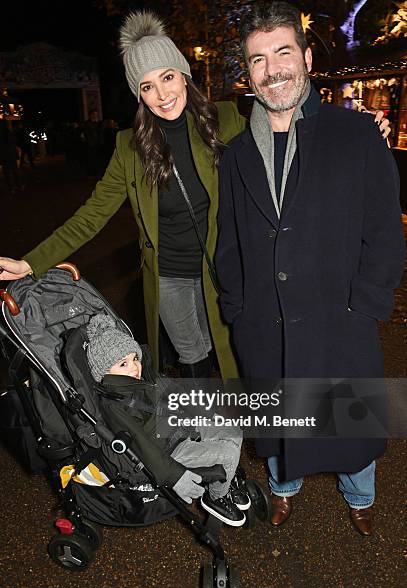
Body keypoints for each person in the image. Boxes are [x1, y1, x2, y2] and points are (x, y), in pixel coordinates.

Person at [0, 10, 390, 381]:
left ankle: (248, 427)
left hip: (224, 269)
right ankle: (207, 433)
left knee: (238, 355)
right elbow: (92, 215)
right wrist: (32, 263)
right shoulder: (129, 147)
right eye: (147, 86)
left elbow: (287, 121)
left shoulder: (226, 121)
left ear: (184, 75)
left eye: (168, 77)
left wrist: (357, 128)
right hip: (169, 276)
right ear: (139, 95)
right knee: (193, 358)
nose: (162, 94)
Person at [214, 1, 405, 536]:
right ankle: (282, 488)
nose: (272, 69)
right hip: (264, 321)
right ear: (247, 74)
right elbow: (229, 240)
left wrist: (366, 302)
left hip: (339, 316)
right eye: (258, 60)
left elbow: (385, 230)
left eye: (283, 53)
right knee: (279, 419)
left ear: (306, 57)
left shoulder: (356, 134)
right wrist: (237, 306)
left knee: (348, 418)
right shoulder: (235, 156)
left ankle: (361, 496)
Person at [83, 313, 250, 526]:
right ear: (104, 372)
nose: (135, 367)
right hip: (168, 451)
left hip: (181, 427)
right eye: (123, 364)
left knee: (233, 431)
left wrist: (206, 415)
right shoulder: (113, 405)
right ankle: (217, 497)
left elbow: (177, 393)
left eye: (135, 358)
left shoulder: (144, 379)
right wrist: (174, 475)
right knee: (227, 453)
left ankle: (226, 477)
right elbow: (141, 445)